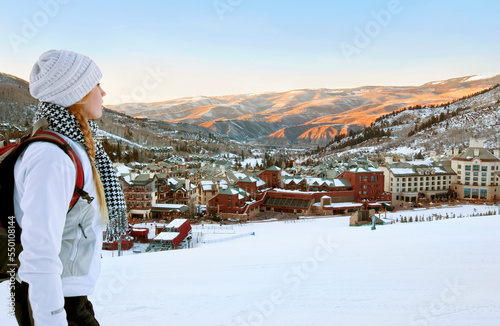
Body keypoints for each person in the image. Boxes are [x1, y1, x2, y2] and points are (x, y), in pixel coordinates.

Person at [13, 50, 128, 325]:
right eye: (96, 84)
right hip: (54, 302)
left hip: (71, 298)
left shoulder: (76, 146)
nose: (104, 92)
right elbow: (39, 251)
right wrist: (51, 318)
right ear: (75, 93)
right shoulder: (52, 157)